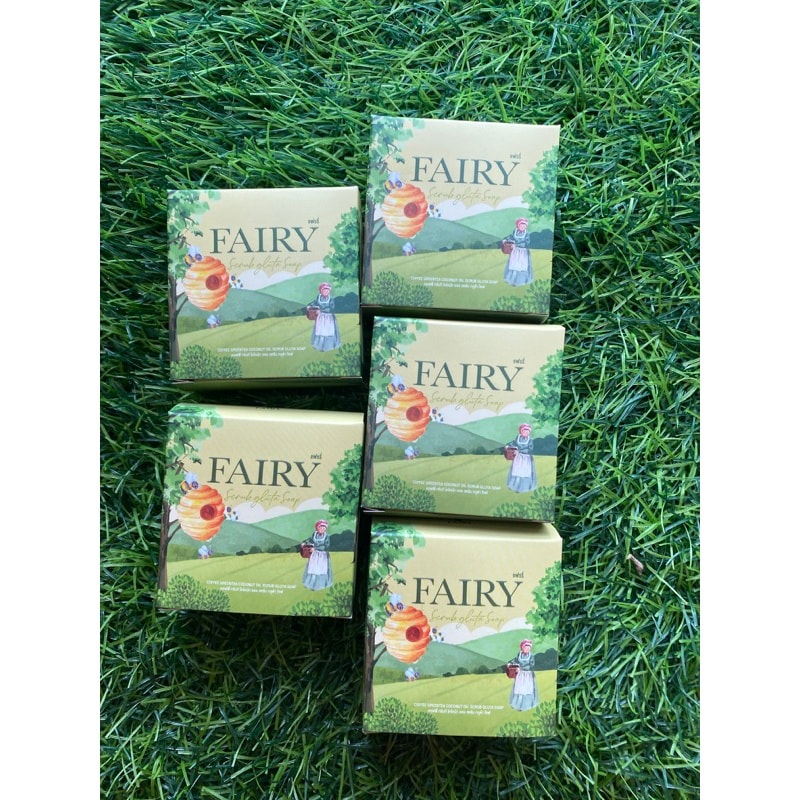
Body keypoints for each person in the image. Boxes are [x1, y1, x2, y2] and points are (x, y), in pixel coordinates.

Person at [307, 282, 341, 351]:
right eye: (325, 290)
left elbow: (331, 309)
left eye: (328, 290)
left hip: (329, 318)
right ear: (321, 291)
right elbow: (315, 303)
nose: (326, 292)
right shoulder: (319, 297)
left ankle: (329, 346)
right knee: (320, 331)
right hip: (320, 318)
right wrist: (310, 306)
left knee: (328, 331)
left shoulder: (331, 299)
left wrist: (321, 310)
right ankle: (319, 346)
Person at [301, 519, 333, 591]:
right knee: (313, 568)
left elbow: (326, 546)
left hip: (323, 555)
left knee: (321, 569)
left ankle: (320, 585)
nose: (323, 529)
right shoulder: (314, 534)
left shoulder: (326, 536)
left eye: (324, 528)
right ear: (317, 528)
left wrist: (315, 548)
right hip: (315, 555)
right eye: (321, 527)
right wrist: (305, 543)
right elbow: (310, 540)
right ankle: (311, 584)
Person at [504, 422, 537, 493]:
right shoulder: (518, 438)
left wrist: (519, 450)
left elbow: (530, 450)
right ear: (521, 431)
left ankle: (525, 487)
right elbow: (513, 443)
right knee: (516, 471)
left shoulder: (530, 440)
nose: (526, 433)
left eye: (527, 432)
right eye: (524, 431)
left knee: (525, 472)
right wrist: (508, 446)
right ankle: (515, 486)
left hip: (526, 458)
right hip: (518, 458)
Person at [508, 639, 538, 711]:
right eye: (526, 648)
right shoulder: (519, 654)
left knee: (526, 689)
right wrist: (511, 663)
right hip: (520, 675)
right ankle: (517, 704)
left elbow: (531, 665)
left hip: (528, 675)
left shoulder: (531, 656)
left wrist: (521, 668)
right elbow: (515, 660)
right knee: (519, 688)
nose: (527, 649)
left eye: (529, 648)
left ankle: (526, 705)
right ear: (522, 647)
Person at [502, 217, 533, 286]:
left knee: (522, 266)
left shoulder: (527, 234)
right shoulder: (515, 232)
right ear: (518, 226)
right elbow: (510, 237)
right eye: (521, 225)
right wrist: (505, 239)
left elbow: (527, 244)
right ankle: (513, 280)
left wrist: (516, 245)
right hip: (515, 252)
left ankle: (521, 281)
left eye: (524, 225)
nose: (523, 227)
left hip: (523, 252)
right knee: (514, 265)